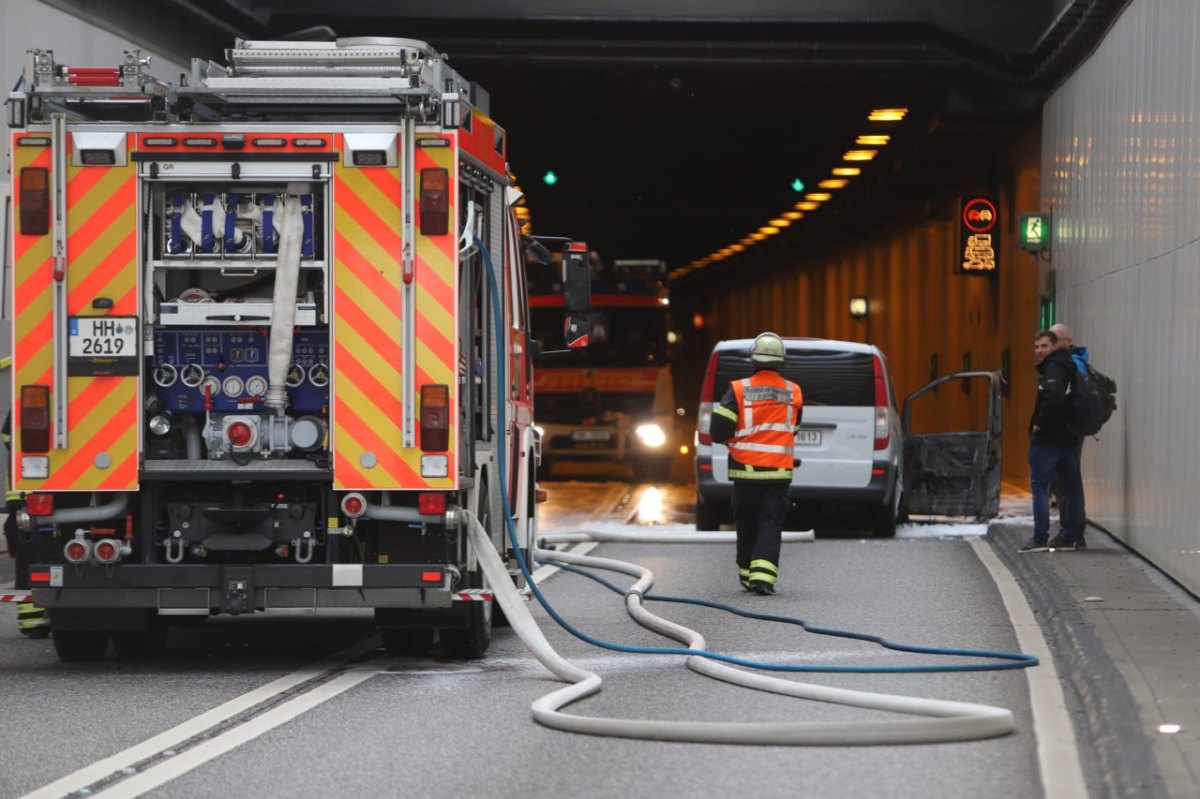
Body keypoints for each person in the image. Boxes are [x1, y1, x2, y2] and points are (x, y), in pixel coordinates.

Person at [708, 332, 804, 594]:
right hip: (779, 472)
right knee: (771, 521)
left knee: (747, 520)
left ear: (753, 360)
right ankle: (763, 578)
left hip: (745, 470)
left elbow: (718, 429)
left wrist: (732, 439)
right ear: (781, 362)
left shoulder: (738, 389)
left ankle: (747, 573)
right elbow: (793, 427)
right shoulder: (793, 391)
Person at [1021, 330, 1085, 553]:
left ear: (1055, 346)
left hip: (1048, 439)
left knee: (1040, 486)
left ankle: (1040, 538)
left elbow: (1053, 397)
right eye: (1037, 347)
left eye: (1044, 346)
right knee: (1071, 487)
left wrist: (1040, 423)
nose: (1039, 351)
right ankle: (1070, 536)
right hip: (1067, 438)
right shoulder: (1069, 365)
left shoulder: (1054, 367)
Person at [3, 412, 49, 637]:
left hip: (23, 499)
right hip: (28, 499)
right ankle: (34, 620)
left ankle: (34, 621)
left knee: (28, 561)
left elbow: (8, 435)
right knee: (31, 558)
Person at [1049, 322, 1090, 548]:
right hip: (1069, 430)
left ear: (1068, 342)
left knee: (1067, 481)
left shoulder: (1070, 366)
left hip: (1067, 432)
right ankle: (1074, 531)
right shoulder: (1073, 364)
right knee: (1068, 480)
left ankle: (1071, 531)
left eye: (1056, 340)